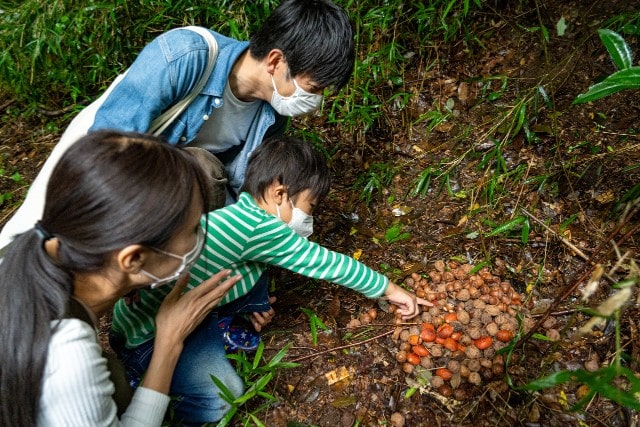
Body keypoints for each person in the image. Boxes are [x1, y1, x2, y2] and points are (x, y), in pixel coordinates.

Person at [109, 136, 431, 424]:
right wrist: (390, 289)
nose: (311, 220)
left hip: (143, 314)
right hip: (148, 338)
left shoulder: (243, 214)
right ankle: (148, 382)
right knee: (222, 397)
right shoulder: (265, 229)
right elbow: (329, 264)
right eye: (310, 206)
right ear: (280, 193)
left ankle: (221, 321)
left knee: (259, 275)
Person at [0, 0, 355, 251]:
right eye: (313, 88)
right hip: (106, 153)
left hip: (174, 182)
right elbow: (105, 148)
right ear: (276, 61)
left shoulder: (273, 115)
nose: (316, 101)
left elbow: (238, 194)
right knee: (35, 237)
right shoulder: (186, 55)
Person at [0, 130, 243, 427]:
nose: (202, 233)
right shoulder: (68, 357)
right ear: (133, 259)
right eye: (192, 229)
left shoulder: (33, 245)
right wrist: (168, 341)